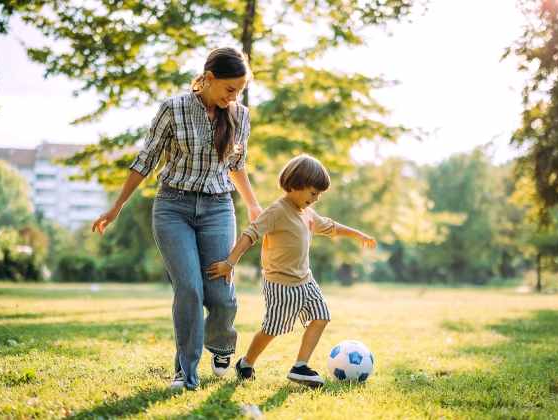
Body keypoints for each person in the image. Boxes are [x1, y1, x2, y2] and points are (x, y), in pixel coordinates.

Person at [92, 47, 262, 391]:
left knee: (222, 295)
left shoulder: (240, 115)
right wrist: (117, 205)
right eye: (230, 89)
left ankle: (221, 344)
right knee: (188, 289)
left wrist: (253, 206)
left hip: (217, 208)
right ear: (209, 79)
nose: (235, 97)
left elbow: (236, 166)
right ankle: (186, 374)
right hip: (174, 207)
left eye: (240, 90)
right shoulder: (173, 108)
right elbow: (146, 159)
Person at [206, 154, 377, 388]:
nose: (316, 199)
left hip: (305, 280)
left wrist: (358, 234)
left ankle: (300, 366)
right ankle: (246, 362)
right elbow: (250, 235)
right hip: (280, 284)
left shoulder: (306, 212)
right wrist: (230, 263)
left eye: (318, 195)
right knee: (272, 328)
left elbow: (330, 226)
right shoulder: (277, 211)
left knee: (321, 317)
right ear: (295, 185)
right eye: (313, 193)